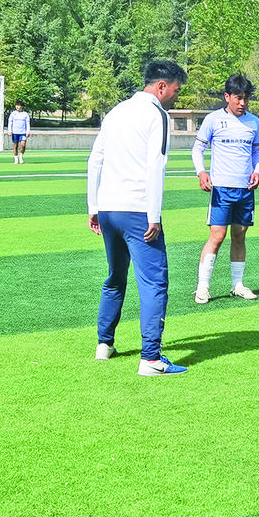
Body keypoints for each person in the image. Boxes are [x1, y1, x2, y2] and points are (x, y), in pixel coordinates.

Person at [86, 59, 188, 376]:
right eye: (176, 90)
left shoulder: (116, 112)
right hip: (137, 210)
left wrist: (93, 207)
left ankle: (104, 344)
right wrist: (154, 215)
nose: (176, 97)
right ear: (161, 86)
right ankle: (151, 359)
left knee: (115, 277)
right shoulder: (157, 115)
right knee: (154, 282)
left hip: (108, 209)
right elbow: (156, 165)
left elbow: (94, 160)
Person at [192, 73, 259, 304]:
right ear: (227, 97)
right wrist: (201, 172)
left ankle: (237, 285)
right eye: (238, 98)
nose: (243, 103)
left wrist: (257, 171)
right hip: (222, 188)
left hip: (245, 189)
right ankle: (202, 287)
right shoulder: (213, 120)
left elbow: (256, 151)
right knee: (217, 236)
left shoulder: (254, 122)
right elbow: (197, 149)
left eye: (246, 99)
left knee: (239, 235)